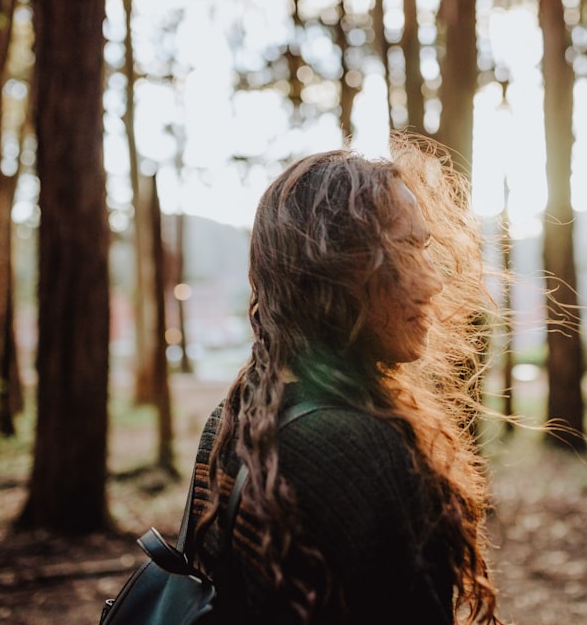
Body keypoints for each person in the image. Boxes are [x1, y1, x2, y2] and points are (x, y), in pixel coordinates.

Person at [188, 137, 505, 624]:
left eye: (427, 250)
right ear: (335, 270)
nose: (433, 281)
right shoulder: (359, 450)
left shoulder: (233, 418)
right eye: (405, 251)